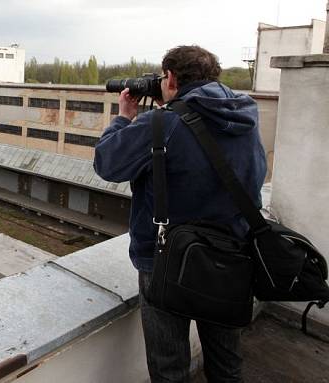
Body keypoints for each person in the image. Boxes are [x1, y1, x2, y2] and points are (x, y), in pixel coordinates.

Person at [93, 45, 267, 382]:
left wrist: (124, 118)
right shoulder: (246, 114)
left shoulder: (162, 124)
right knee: (227, 362)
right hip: (230, 257)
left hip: (166, 262)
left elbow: (107, 163)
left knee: (170, 366)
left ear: (170, 77)